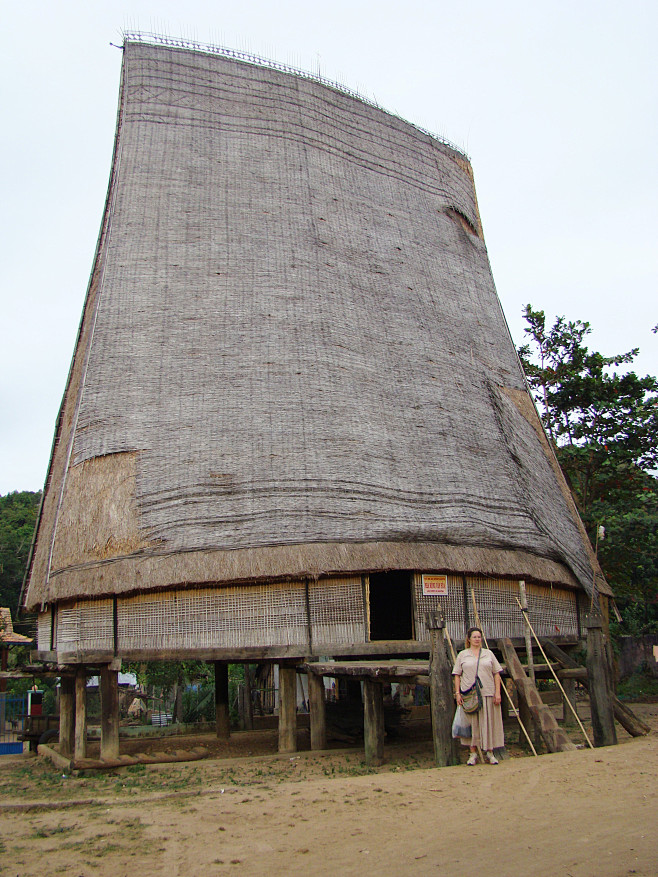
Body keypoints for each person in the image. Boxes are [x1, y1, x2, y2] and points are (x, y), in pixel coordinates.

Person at [452, 626, 504, 765]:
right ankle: (473, 753)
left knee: (488, 722)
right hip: (469, 694)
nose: (477, 639)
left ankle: (490, 752)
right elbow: (457, 675)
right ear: (469, 639)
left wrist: (497, 693)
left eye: (479, 637)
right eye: (474, 637)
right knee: (472, 724)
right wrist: (457, 693)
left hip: (487, 692)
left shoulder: (488, 654)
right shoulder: (463, 655)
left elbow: (496, 673)